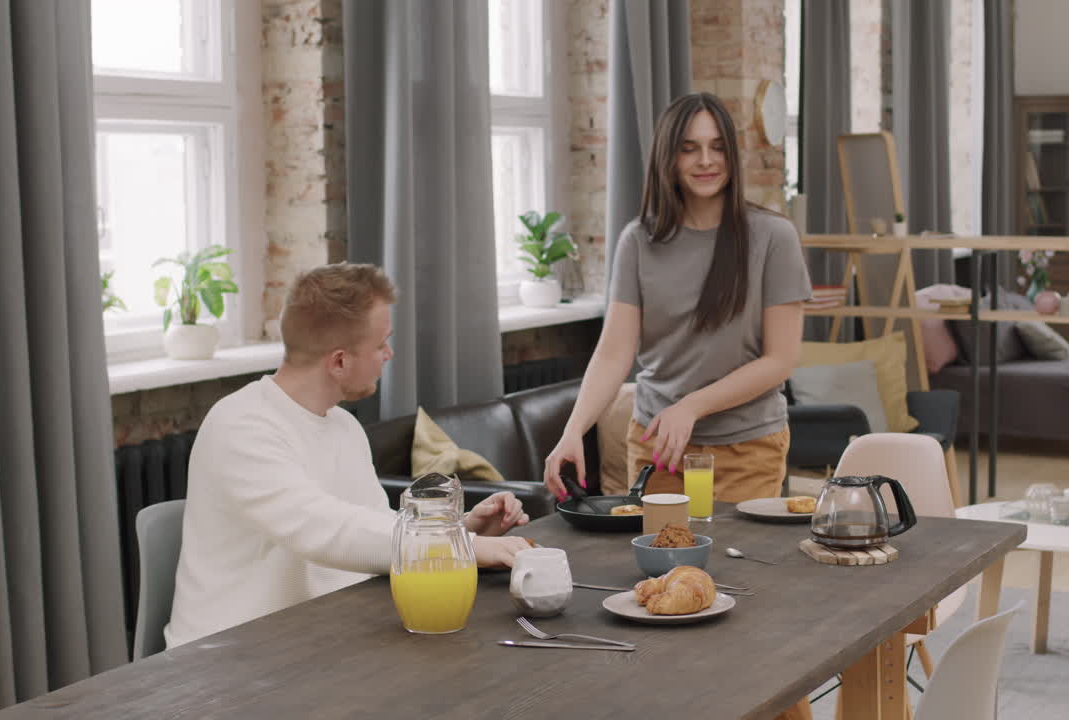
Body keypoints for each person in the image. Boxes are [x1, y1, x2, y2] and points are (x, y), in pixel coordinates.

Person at [542, 90, 813, 720]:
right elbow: (615, 352)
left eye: (717, 146)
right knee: (659, 604)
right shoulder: (640, 240)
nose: (705, 159)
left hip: (746, 448)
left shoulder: (772, 236)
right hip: (656, 450)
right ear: (669, 156)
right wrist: (572, 433)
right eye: (690, 147)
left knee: (746, 608)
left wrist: (691, 405)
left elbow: (780, 359)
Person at [166, 263, 531, 649]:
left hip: (313, 639)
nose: (389, 354)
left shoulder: (343, 426)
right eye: (381, 344)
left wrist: (461, 530)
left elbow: (373, 528)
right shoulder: (240, 426)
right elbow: (324, 528)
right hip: (222, 660)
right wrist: (461, 546)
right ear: (339, 361)